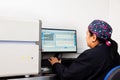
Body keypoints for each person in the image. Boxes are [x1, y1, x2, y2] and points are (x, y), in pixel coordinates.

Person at [48, 20, 120, 80]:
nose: (86, 37)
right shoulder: (112, 50)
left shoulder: (91, 55)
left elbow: (66, 76)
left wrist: (56, 64)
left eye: (87, 34)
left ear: (94, 37)